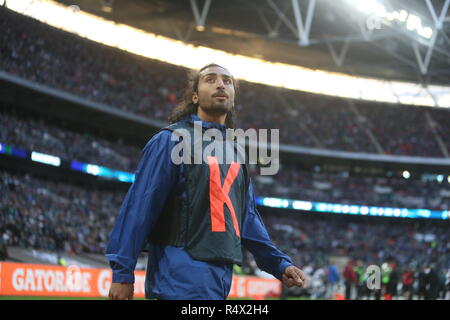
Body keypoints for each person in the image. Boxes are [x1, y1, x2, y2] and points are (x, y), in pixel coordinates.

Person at [105, 63, 308, 300]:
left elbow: (246, 218)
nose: (221, 84)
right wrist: (122, 273)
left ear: (232, 98)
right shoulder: (170, 141)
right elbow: (139, 207)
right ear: (195, 96)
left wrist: (279, 264)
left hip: (218, 285)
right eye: (210, 79)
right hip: (177, 283)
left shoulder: (236, 154)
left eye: (227, 81)